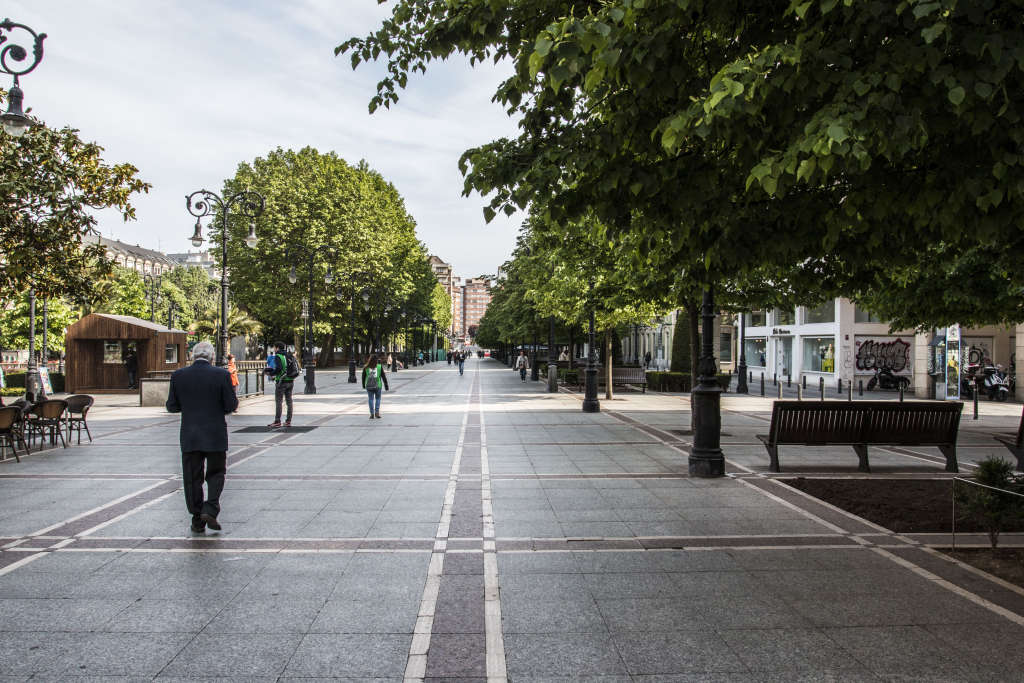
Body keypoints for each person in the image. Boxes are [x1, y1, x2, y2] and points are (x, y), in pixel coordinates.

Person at [165, 341, 238, 534]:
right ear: (212, 357)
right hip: (215, 434)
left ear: (192, 356)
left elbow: (172, 406)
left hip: (190, 435)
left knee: (192, 478)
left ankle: (197, 519)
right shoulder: (222, 375)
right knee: (216, 473)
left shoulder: (178, 375)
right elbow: (231, 405)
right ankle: (211, 507)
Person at [268, 342, 296, 428]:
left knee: (279, 401)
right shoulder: (289, 355)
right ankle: (288, 421)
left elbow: (279, 368)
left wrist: (271, 373)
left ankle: (277, 421)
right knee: (289, 401)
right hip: (290, 380)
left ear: (277, 348)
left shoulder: (278, 356)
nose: (274, 349)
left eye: (274, 348)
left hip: (281, 381)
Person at [362, 353, 390, 419]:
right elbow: (383, 377)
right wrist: (386, 385)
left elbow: (363, 377)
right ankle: (377, 412)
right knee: (378, 398)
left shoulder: (366, 367)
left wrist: (363, 385)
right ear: (376, 360)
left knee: (370, 399)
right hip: (378, 385)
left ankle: (372, 413)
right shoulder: (379, 367)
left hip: (368, 385)